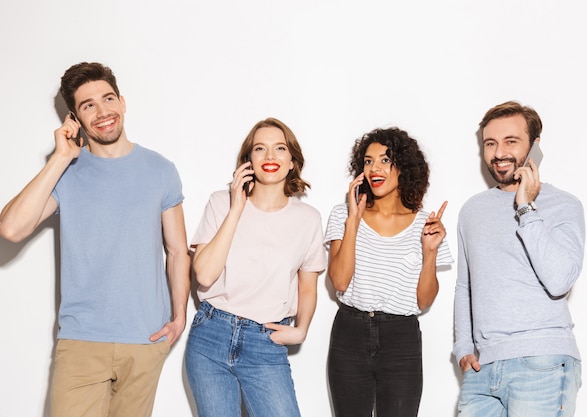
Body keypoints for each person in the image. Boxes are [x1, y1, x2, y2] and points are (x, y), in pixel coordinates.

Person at [0, 62, 190, 417]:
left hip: (145, 341)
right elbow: (11, 228)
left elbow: (177, 250)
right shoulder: (66, 173)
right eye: (88, 105)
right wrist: (59, 158)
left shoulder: (160, 170)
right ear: (74, 117)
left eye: (107, 99)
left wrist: (179, 316)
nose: (103, 112)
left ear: (122, 101)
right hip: (82, 341)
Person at [184, 117, 326, 417]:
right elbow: (206, 275)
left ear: (292, 162)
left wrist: (301, 330)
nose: (270, 156)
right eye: (260, 148)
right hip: (211, 335)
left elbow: (308, 286)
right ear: (248, 160)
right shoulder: (221, 202)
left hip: (265, 342)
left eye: (279, 148)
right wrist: (237, 207)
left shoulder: (308, 219)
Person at [454, 101, 584, 416]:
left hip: (543, 362)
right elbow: (465, 286)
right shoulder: (472, 210)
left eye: (511, 141)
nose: (499, 153)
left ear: (534, 147)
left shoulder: (564, 205)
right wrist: (463, 349)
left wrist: (525, 207)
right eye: (490, 143)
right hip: (483, 368)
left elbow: (560, 281)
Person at [324, 127, 453, 417]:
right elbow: (340, 281)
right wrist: (353, 220)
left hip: (401, 337)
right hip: (350, 333)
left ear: (404, 167)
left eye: (385, 160)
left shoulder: (424, 222)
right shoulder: (343, 214)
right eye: (368, 161)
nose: (375, 168)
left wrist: (430, 251)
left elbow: (424, 301)